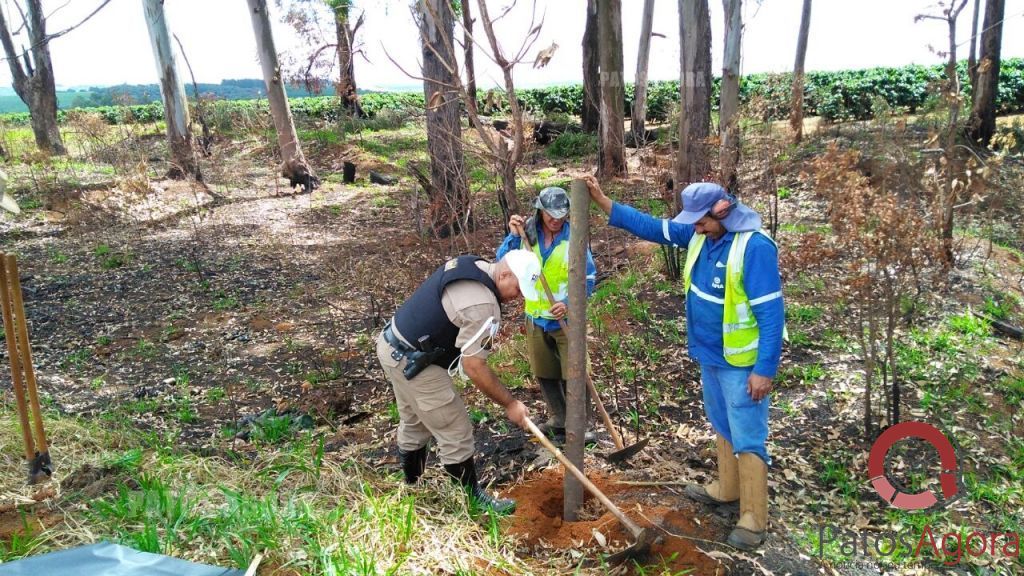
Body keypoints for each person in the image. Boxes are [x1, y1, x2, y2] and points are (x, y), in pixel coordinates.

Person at [583, 175, 784, 551]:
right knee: (721, 421)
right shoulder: (698, 234)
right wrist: (602, 200)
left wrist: (764, 369)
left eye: (702, 220)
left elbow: (772, 314)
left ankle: (754, 517)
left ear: (723, 211)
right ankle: (727, 487)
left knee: (748, 433)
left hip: (741, 362)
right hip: (709, 354)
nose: (695, 226)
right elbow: (651, 226)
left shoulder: (754, 248)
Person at [377, 250, 540, 514]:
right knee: (455, 429)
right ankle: (471, 502)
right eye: (519, 288)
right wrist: (510, 404)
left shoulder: (473, 264)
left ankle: (412, 488)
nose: (518, 296)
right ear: (506, 273)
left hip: (391, 345)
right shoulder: (483, 306)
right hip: (414, 363)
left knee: (415, 421)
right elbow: (474, 366)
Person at [496, 186, 598, 443]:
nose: (555, 220)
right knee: (545, 371)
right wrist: (512, 235)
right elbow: (501, 264)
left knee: (575, 372)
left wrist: (569, 303)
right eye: (550, 214)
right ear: (540, 211)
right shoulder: (526, 234)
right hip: (535, 316)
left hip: (565, 318)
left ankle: (583, 424)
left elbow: (588, 277)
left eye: (561, 215)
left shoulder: (574, 237)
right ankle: (559, 417)